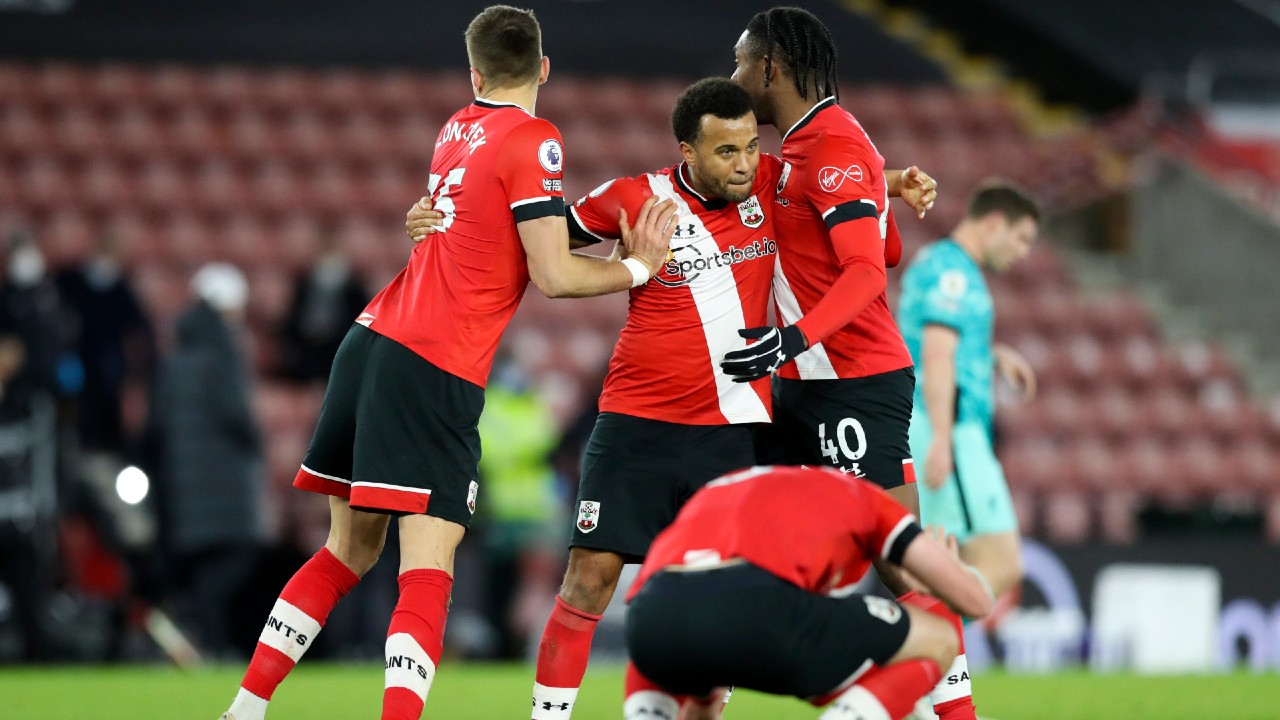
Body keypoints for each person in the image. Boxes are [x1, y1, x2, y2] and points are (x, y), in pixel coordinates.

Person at [406, 77, 937, 720]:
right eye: (725, 152)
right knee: (589, 579)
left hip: (734, 431)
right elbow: (538, 241)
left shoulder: (771, 181)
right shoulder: (634, 199)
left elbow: (843, 178)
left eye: (748, 146)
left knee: (725, 595)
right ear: (687, 150)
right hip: (635, 425)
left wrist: (897, 179)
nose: (744, 163)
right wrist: (442, 219)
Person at [217, 6, 675, 720]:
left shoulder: (454, 129)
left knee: (347, 551)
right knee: (427, 567)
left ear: (474, 72)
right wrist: (639, 268)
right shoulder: (536, 138)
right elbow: (552, 274)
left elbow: (457, 222)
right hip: (434, 361)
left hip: (369, 338)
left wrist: (418, 218)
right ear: (544, 69)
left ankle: (245, 707)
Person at [723, 7, 974, 719]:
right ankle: (710, 683)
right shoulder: (821, 144)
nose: (733, 75)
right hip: (803, 386)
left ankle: (957, 711)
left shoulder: (829, 145)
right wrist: (881, 187)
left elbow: (870, 274)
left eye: (742, 61)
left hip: (854, 383)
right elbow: (884, 245)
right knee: (746, 532)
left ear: (772, 68)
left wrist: (792, 339)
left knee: (902, 563)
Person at [625, 465, 994, 720]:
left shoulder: (726, 485)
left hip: (651, 619)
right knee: (938, 639)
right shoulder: (861, 494)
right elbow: (975, 602)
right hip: (754, 604)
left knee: (702, 699)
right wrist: (953, 571)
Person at [898, 182, 1040, 602]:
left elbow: (938, 346)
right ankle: (922, 654)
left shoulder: (938, 261)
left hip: (939, 425)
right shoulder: (955, 274)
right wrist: (942, 439)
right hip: (950, 430)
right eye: (1021, 238)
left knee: (950, 567)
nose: (1023, 252)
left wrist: (991, 356)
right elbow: (938, 355)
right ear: (995, 223)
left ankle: (938, 659)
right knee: (996, 563)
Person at [151, 263, 265, 660]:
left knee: (204, 568)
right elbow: (238, 417)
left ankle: (206, 643)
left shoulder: (175, 357)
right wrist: (257, 444)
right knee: (236, 559)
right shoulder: (224, 355)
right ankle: (190, 625)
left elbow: (157, 424)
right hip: (224, 484)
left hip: (183, 487)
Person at [277, 229, 368, 384]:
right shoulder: (304, 285)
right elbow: (292, 322)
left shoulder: (354, 289)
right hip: (308, 355)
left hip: (340, 351)